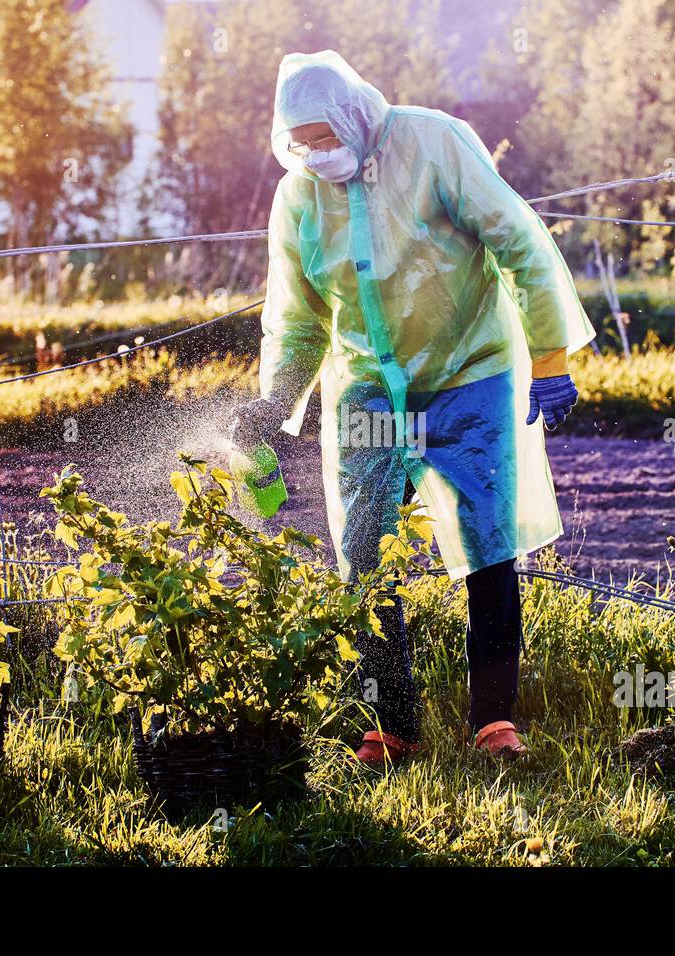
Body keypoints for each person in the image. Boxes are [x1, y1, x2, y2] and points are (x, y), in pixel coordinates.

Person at [231, 51, 594, 765]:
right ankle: (389, 726)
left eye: (325, 135)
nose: (316, 152)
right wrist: (276, 398)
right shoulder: (299, 198)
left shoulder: (435, 144)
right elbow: (300, 321)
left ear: (355, 115)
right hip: (367, 390)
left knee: (485, 543)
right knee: (364, 556)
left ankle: (493, 723)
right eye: (300, 142)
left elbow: (517, 242)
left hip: (469, 373)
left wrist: (549, 355)